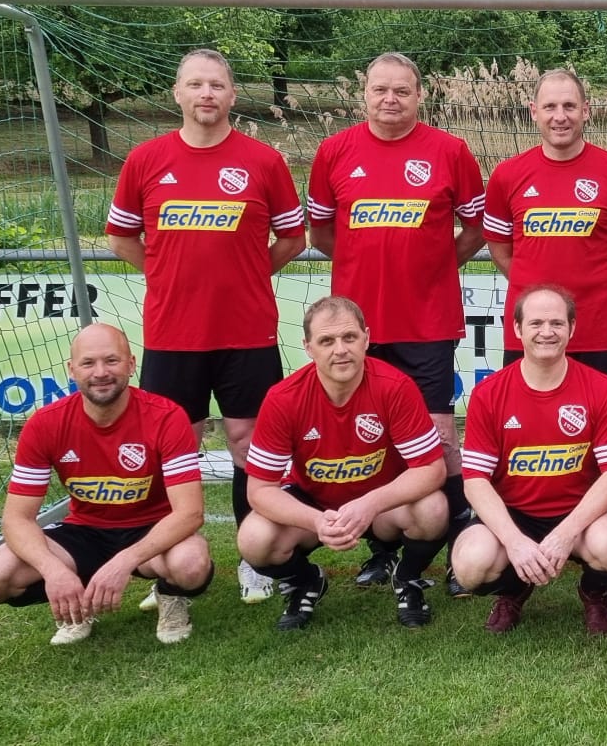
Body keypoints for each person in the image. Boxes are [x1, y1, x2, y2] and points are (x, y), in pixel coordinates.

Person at [105, 48, 306, 606]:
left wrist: (247, 273)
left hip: (247, 332)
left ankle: (253, 559)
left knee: (250, 445)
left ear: (233, 95)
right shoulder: (146, 160)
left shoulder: (263, 161)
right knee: (176, 446)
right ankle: (172, 562)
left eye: (216, 85)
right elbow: (120, 237)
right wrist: (165, 273)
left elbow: (293, 238)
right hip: (173, 333)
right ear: (178, 94)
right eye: (195, 84)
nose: (206, 94)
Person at [306, 52, 487, 593]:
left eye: (402, 91)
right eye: (380, 89)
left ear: (419, 95)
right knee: (370, 440)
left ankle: (458, 550)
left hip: (427, 322)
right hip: (356, 328)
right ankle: (382, 551)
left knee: (440, 438)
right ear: (364, 94)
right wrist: (361, 268)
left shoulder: (450, 151)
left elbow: (477, 228)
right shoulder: (334, 151)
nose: (391, 99)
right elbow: (322, 233)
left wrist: (433, 268)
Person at [0, 323, 212, 646]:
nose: (100, 372)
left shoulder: (167, 417)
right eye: (88, 363)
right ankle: (77, 606)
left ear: (131, 364)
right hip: (84, 531)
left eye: (111, 360)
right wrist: (54, 571)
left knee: (191, 564)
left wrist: (124, 561)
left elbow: (189, 513)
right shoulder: (45, 423)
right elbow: (16, 519)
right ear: (72, 370)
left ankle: (170, 596)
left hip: (151, 530)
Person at [236, 297, 448, 630]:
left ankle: (407, 578)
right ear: (308, 347)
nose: (340, 350)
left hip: (380, 506)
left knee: (433, 510)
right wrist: (316, 520)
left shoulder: (395, 386)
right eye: (326, 341)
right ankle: (306, 582)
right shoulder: (283, 399)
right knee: (253, 539)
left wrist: (370, 504)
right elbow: (260, 490)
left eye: (349, 337)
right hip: (315, 504)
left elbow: (431, 469)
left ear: (366, 338)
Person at [452, 285, 607, 634]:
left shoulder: (602, 388)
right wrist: (514, 541)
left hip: (580, 516)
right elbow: (475, 480)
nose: (546, 332)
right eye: (536, 323)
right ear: (517, 329)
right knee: (470, 564)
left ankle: (595, 593)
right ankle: (514, 589)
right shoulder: (489, 393)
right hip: (516, 515)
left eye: (556, 323)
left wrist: (565, 534)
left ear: (572, 328)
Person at [482, 69, 607, 394]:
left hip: (597, 330)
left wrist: (595, 285)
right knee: (526, 418)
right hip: (530, 332)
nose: (560, 117)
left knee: (602, 420)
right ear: (534, 111)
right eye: (550, 107)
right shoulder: (507, 175)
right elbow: (499, 248)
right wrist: (534, 289)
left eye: (569, 106)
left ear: (585, 110)